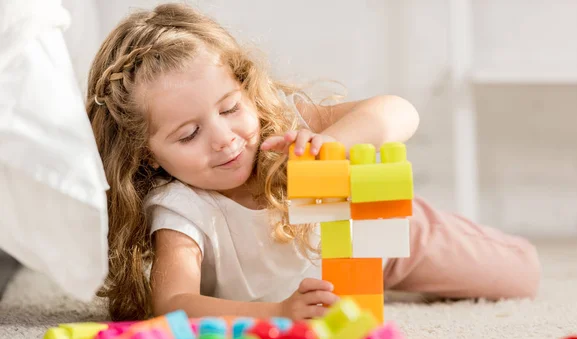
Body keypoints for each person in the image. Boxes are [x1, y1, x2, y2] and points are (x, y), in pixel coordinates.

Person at [86, 3, 541, 322]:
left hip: (379, 242)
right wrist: (279, 314)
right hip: (326, 287)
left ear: (246, 88)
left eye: (229, 109)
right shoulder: (182, 208)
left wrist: (330, 142)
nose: (225, 139)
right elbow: (174, 304)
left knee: (520, 274)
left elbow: (401, 112)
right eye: (188, 134)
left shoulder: (282, 128)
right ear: (145, 153)